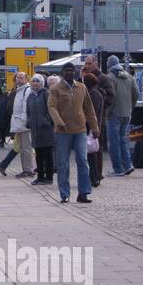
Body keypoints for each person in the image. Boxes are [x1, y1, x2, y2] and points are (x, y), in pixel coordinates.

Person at [48, 62, 99, 204]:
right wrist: (59, 122)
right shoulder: (56, 89)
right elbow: (52, 107)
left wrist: (94, 127)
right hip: (63, 131)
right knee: (63, 164)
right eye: (66, 70)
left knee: (82, 161)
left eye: (71, 70)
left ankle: (84, 193)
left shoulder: (81, 88)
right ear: (62, 73)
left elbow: (89, 109)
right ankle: (64, 194)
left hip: (80, 130)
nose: (69, 73)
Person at [0, 71, 35, 178]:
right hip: (18, 123)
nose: (19, 79)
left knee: (26, 148)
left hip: (23, 124)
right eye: (17, 77)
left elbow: (25, 107)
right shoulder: (18, 90)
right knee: (21, 147)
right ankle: (26, 169)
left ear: (27, 79)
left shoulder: (26, 90)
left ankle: (28, 170)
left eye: (21, 77)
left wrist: (23, 122)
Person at [104, 56, 135, 176]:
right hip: (126, 113)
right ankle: (128, 165)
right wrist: (130, 107)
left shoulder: (110, 77)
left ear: (109, 65)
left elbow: (110, 97)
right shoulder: (129, 77)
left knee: (113, 142)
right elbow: (136, 93)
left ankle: (118, 169)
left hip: (114, 114)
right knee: (123, 140)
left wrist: (108, 111)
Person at [26, 74, 55, 184]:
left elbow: (51, 108)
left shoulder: (46, 93)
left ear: (42, 83)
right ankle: (40, 176)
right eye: (33, 81)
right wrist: (29, 121)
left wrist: (47, 121)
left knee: (47, 154)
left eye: (37, 81)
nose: (35, 83)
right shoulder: (30, 96)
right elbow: (28, 111)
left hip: (46, 129)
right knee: (38, 153)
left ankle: (49, 177)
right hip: (35, 129)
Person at [83, 71, 106, 188]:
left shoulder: (94, 94)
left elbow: (93, 112)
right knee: (93, 153)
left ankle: (94, 177)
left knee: (92, 154)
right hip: (94, 127)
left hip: (92, 128)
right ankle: (94, 176)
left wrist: (91, 126)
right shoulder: (96, 93)